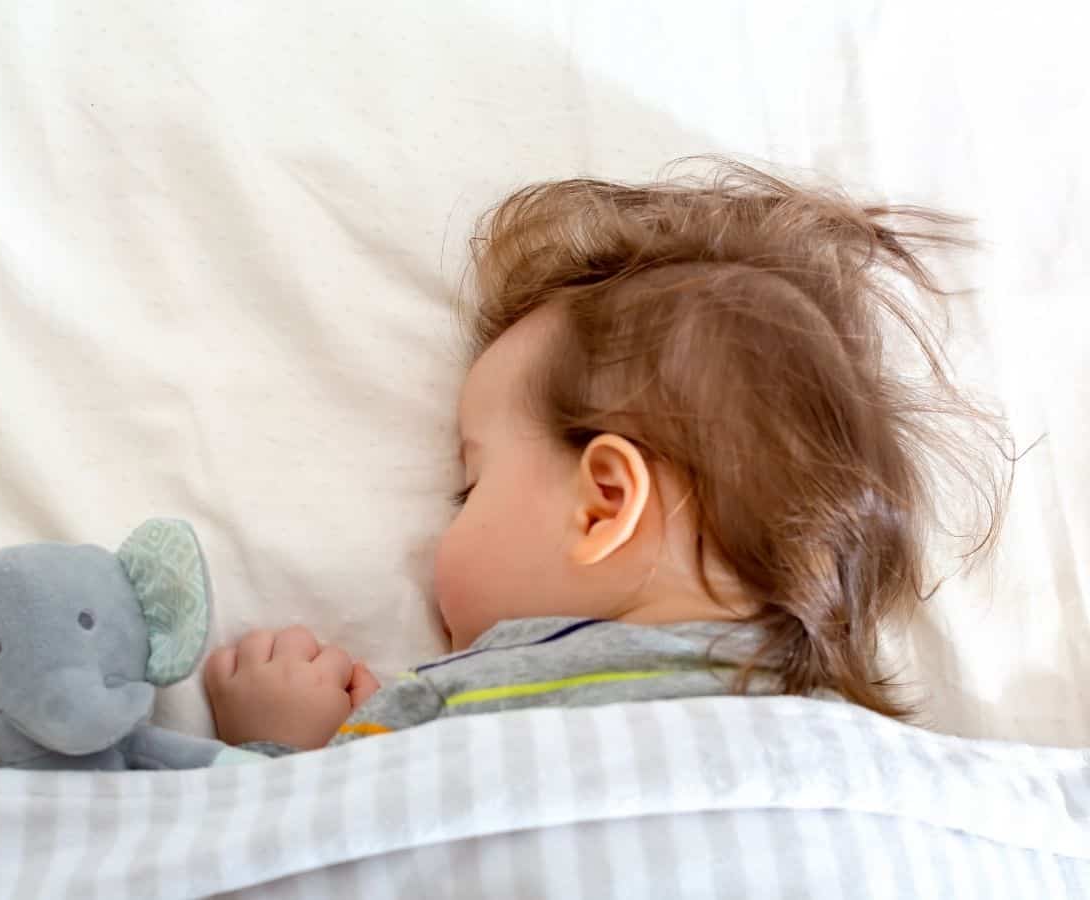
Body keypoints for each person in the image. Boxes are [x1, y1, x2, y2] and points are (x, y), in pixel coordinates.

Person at [203, 157, 1012, 754]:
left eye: (471, 487)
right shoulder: (859, 739)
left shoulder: (463, 704)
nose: (433, 545)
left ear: (602, 504)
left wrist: (288, 746)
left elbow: (318, 856)